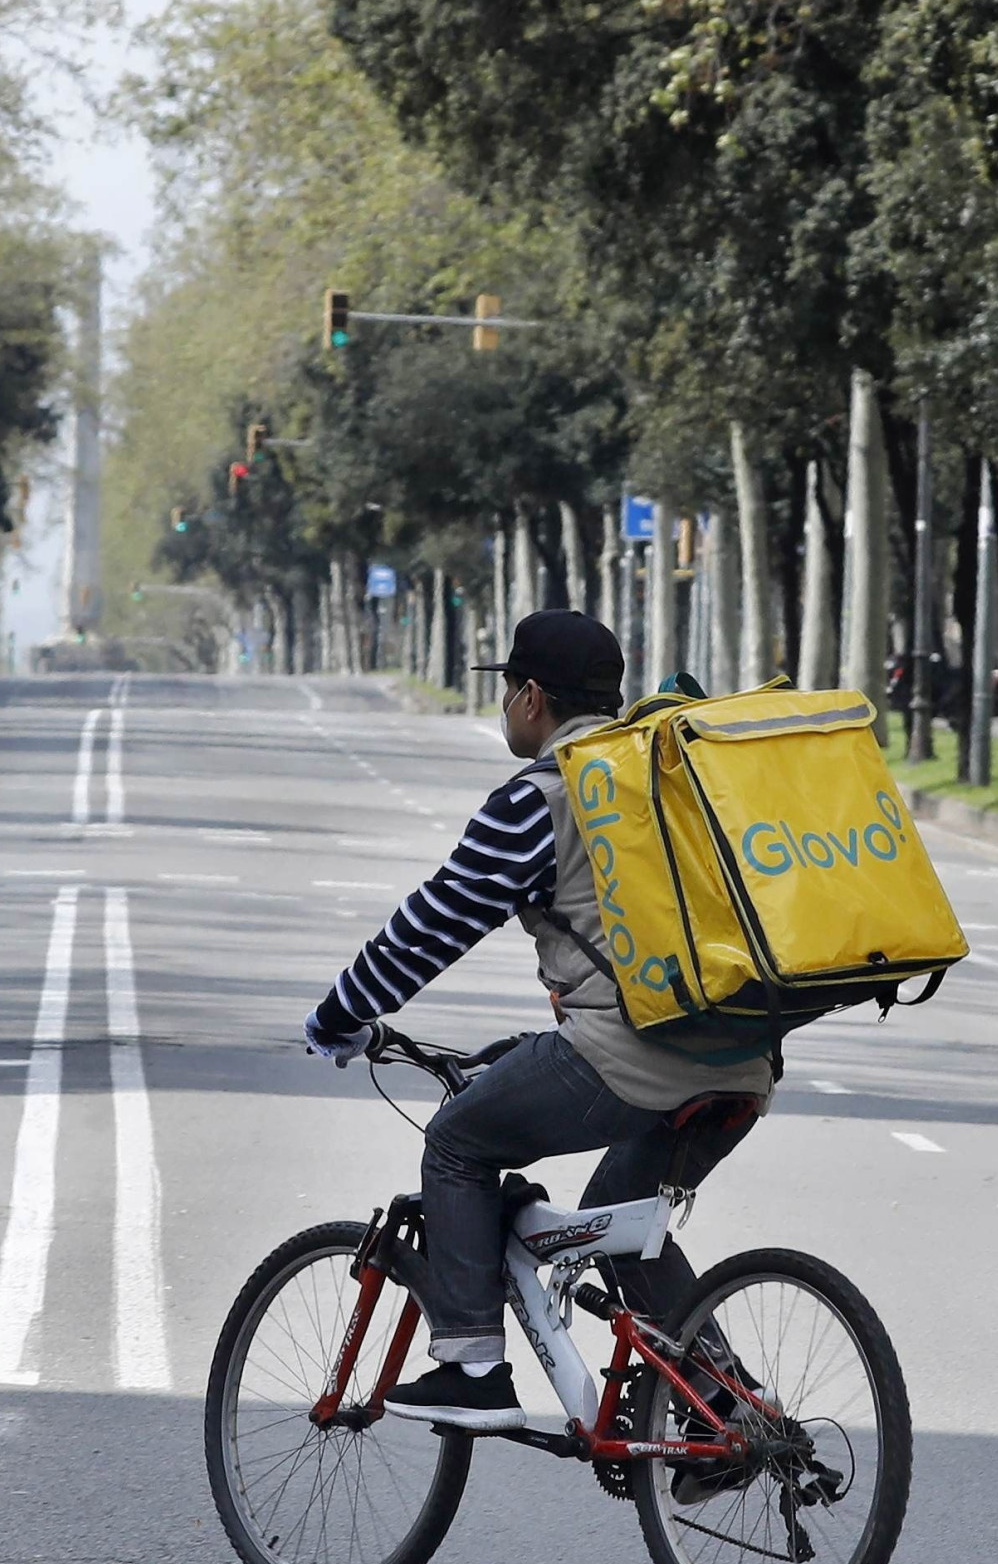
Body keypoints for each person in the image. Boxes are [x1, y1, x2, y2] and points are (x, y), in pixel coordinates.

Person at [301, 609, 767, 1432]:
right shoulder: (665, 777)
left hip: (631, 1058)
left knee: (456, 1139)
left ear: (531, 697)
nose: (507, 706)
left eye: (509, 689)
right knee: (622, 1214)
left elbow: (430, 927)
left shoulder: (544, 797)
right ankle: (726, 1412)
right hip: (742, 1057)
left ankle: (472, 1365)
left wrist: (342, 1012)